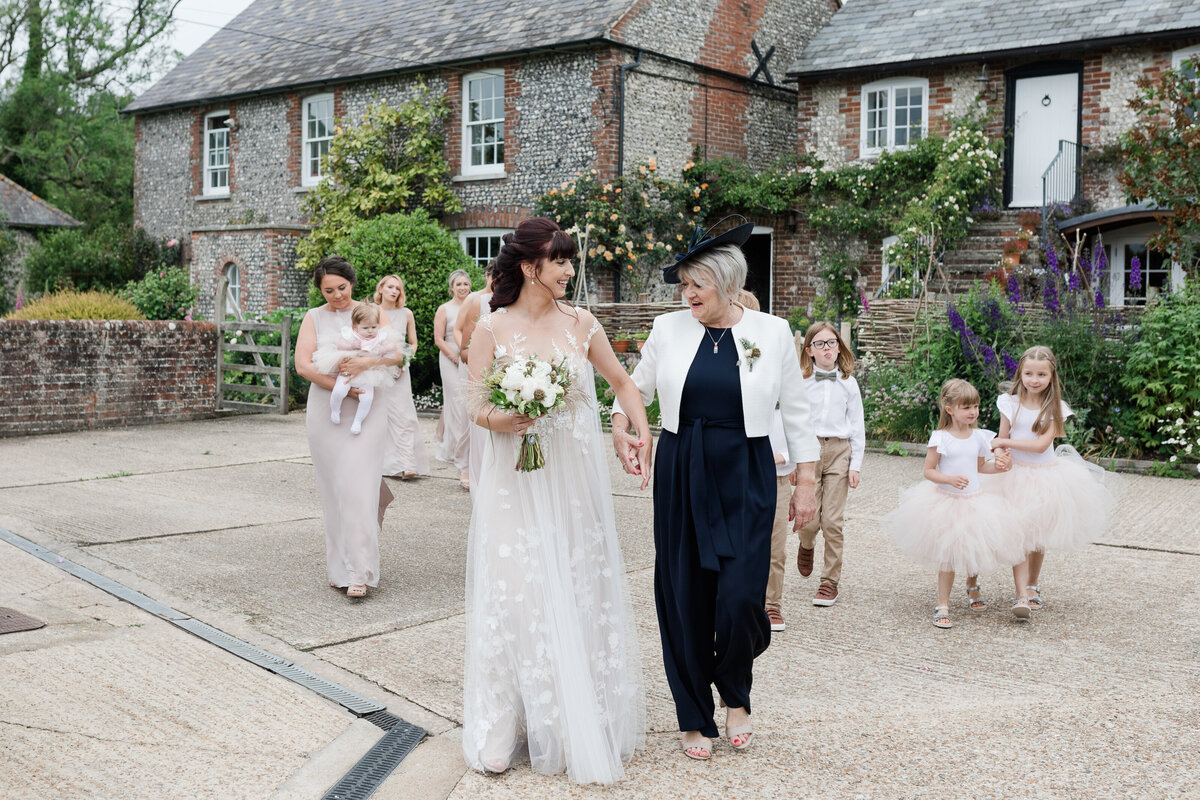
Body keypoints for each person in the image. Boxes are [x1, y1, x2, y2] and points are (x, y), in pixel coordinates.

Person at [611, 220, 819, 761]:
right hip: (683, 466)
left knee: (742, 596)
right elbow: (637, 385)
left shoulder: (773, 332)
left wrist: (806, 483)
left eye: (697, 284)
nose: (689, 295)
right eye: (683, 286)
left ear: (727, 282)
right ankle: (693, 714)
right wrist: (620, 419)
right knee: (683, 593)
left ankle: (735, 691)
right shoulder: (668, 328)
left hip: (746, 468)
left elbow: (797, 415)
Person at [461, 218, 651, 784]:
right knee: (516, 592)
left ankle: (571, 720)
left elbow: (624, 383)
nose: (571, 270)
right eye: (561, 261)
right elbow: (474, 404)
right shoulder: (491, 328)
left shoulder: (581, 323)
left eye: (570, 261)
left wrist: (640, 433)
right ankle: (502, 723)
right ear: (530, 268)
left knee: (573, 586)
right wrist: (506, 416)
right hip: (512, 480)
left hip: (570, 481)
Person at [295, 257, 403, 599]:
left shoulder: (373, 311)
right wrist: (341, 386)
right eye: (329, 290)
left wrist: (366, 362)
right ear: (320, 290)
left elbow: (397, 354)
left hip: (369, 410)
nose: (337, 296)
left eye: (342, 288)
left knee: (359, 486)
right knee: (335, 490)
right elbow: (302, 366)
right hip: (328, 411)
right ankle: (339, 568)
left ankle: (360, 572)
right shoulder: (313, 317)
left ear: (352, 282)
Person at [882, 379, 1022, 628]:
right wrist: (948, 478)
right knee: (948, 556)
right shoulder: (941, 438)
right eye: (966, 407)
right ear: (950, 409)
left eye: (976, 406)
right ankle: (943, 603)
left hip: (975, 501)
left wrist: (1002, 467)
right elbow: (929, 470)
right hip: (946, 502)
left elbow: (981, 467)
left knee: (973, 547)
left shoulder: (980, 437)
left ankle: (972, 585)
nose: (973, 412)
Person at [986, 345, 1114, 610]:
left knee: (1037, 535)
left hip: (1045, 478)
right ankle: (1021, 593)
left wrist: (1003, 441)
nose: (1034, 380)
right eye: (1029, 373)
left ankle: (1032, 584)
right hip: (1013, 475)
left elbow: (1041, 446)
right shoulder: (1008, 402)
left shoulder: (1056, 407)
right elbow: (1002, 436)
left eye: (1041, 375)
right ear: (1020, 372)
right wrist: (1000, 451)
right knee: (1017, 532)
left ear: (1051, 377)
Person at [792, 321, 866, 609]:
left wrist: (855, 464)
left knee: (832, 522)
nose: (827, 348)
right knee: (808, 520)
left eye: (832, 343)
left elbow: (857, 425)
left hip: (838, 451)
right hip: (809, 450)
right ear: (809, 350)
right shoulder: (801, 381)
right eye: (820, 344)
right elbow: (793, 422)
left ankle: (829, 581)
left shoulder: (848, 382)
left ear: (839, 348)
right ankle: (806, 543)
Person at [312, 301, 399, 435]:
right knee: (339, 391)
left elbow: (393, 348)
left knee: (367, 399)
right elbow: (340, 345)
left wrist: (382, 349)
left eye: (374, 327)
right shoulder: (351, 336)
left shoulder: (379, 337)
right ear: (355, 327)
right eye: (365, 328)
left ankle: (358, 421)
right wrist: (352, 346)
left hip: (368, 375)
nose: (370, 331)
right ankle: (335, 410)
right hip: (348, 372)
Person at [375, 274, 429, 479]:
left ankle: (408, 463)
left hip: (400, 370)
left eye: (397, 288)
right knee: (380, 416)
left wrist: (405, 361)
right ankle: (385, 464)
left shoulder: (406, 313)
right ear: (380, 289)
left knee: (403, 415)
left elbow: (413, 343)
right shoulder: (372, 311)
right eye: (389, 287)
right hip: (378, 370)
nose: (394, 291)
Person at [453, 261, 495, 495]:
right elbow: (464, 342)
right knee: (472, 419)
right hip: (477, 368)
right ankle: (467, 467)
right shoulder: (477, 301)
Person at [435, 269, 473, 488]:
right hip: (450, 358)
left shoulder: (472, 305)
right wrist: (454, 357)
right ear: (451, 287)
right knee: (456, 404)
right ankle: (461, 461)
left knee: (465, 405)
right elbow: (438, 339)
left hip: (468, 357)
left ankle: (456, 447)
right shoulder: (445, 309)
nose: (462, 287)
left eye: (465, 284)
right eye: (458, 284)